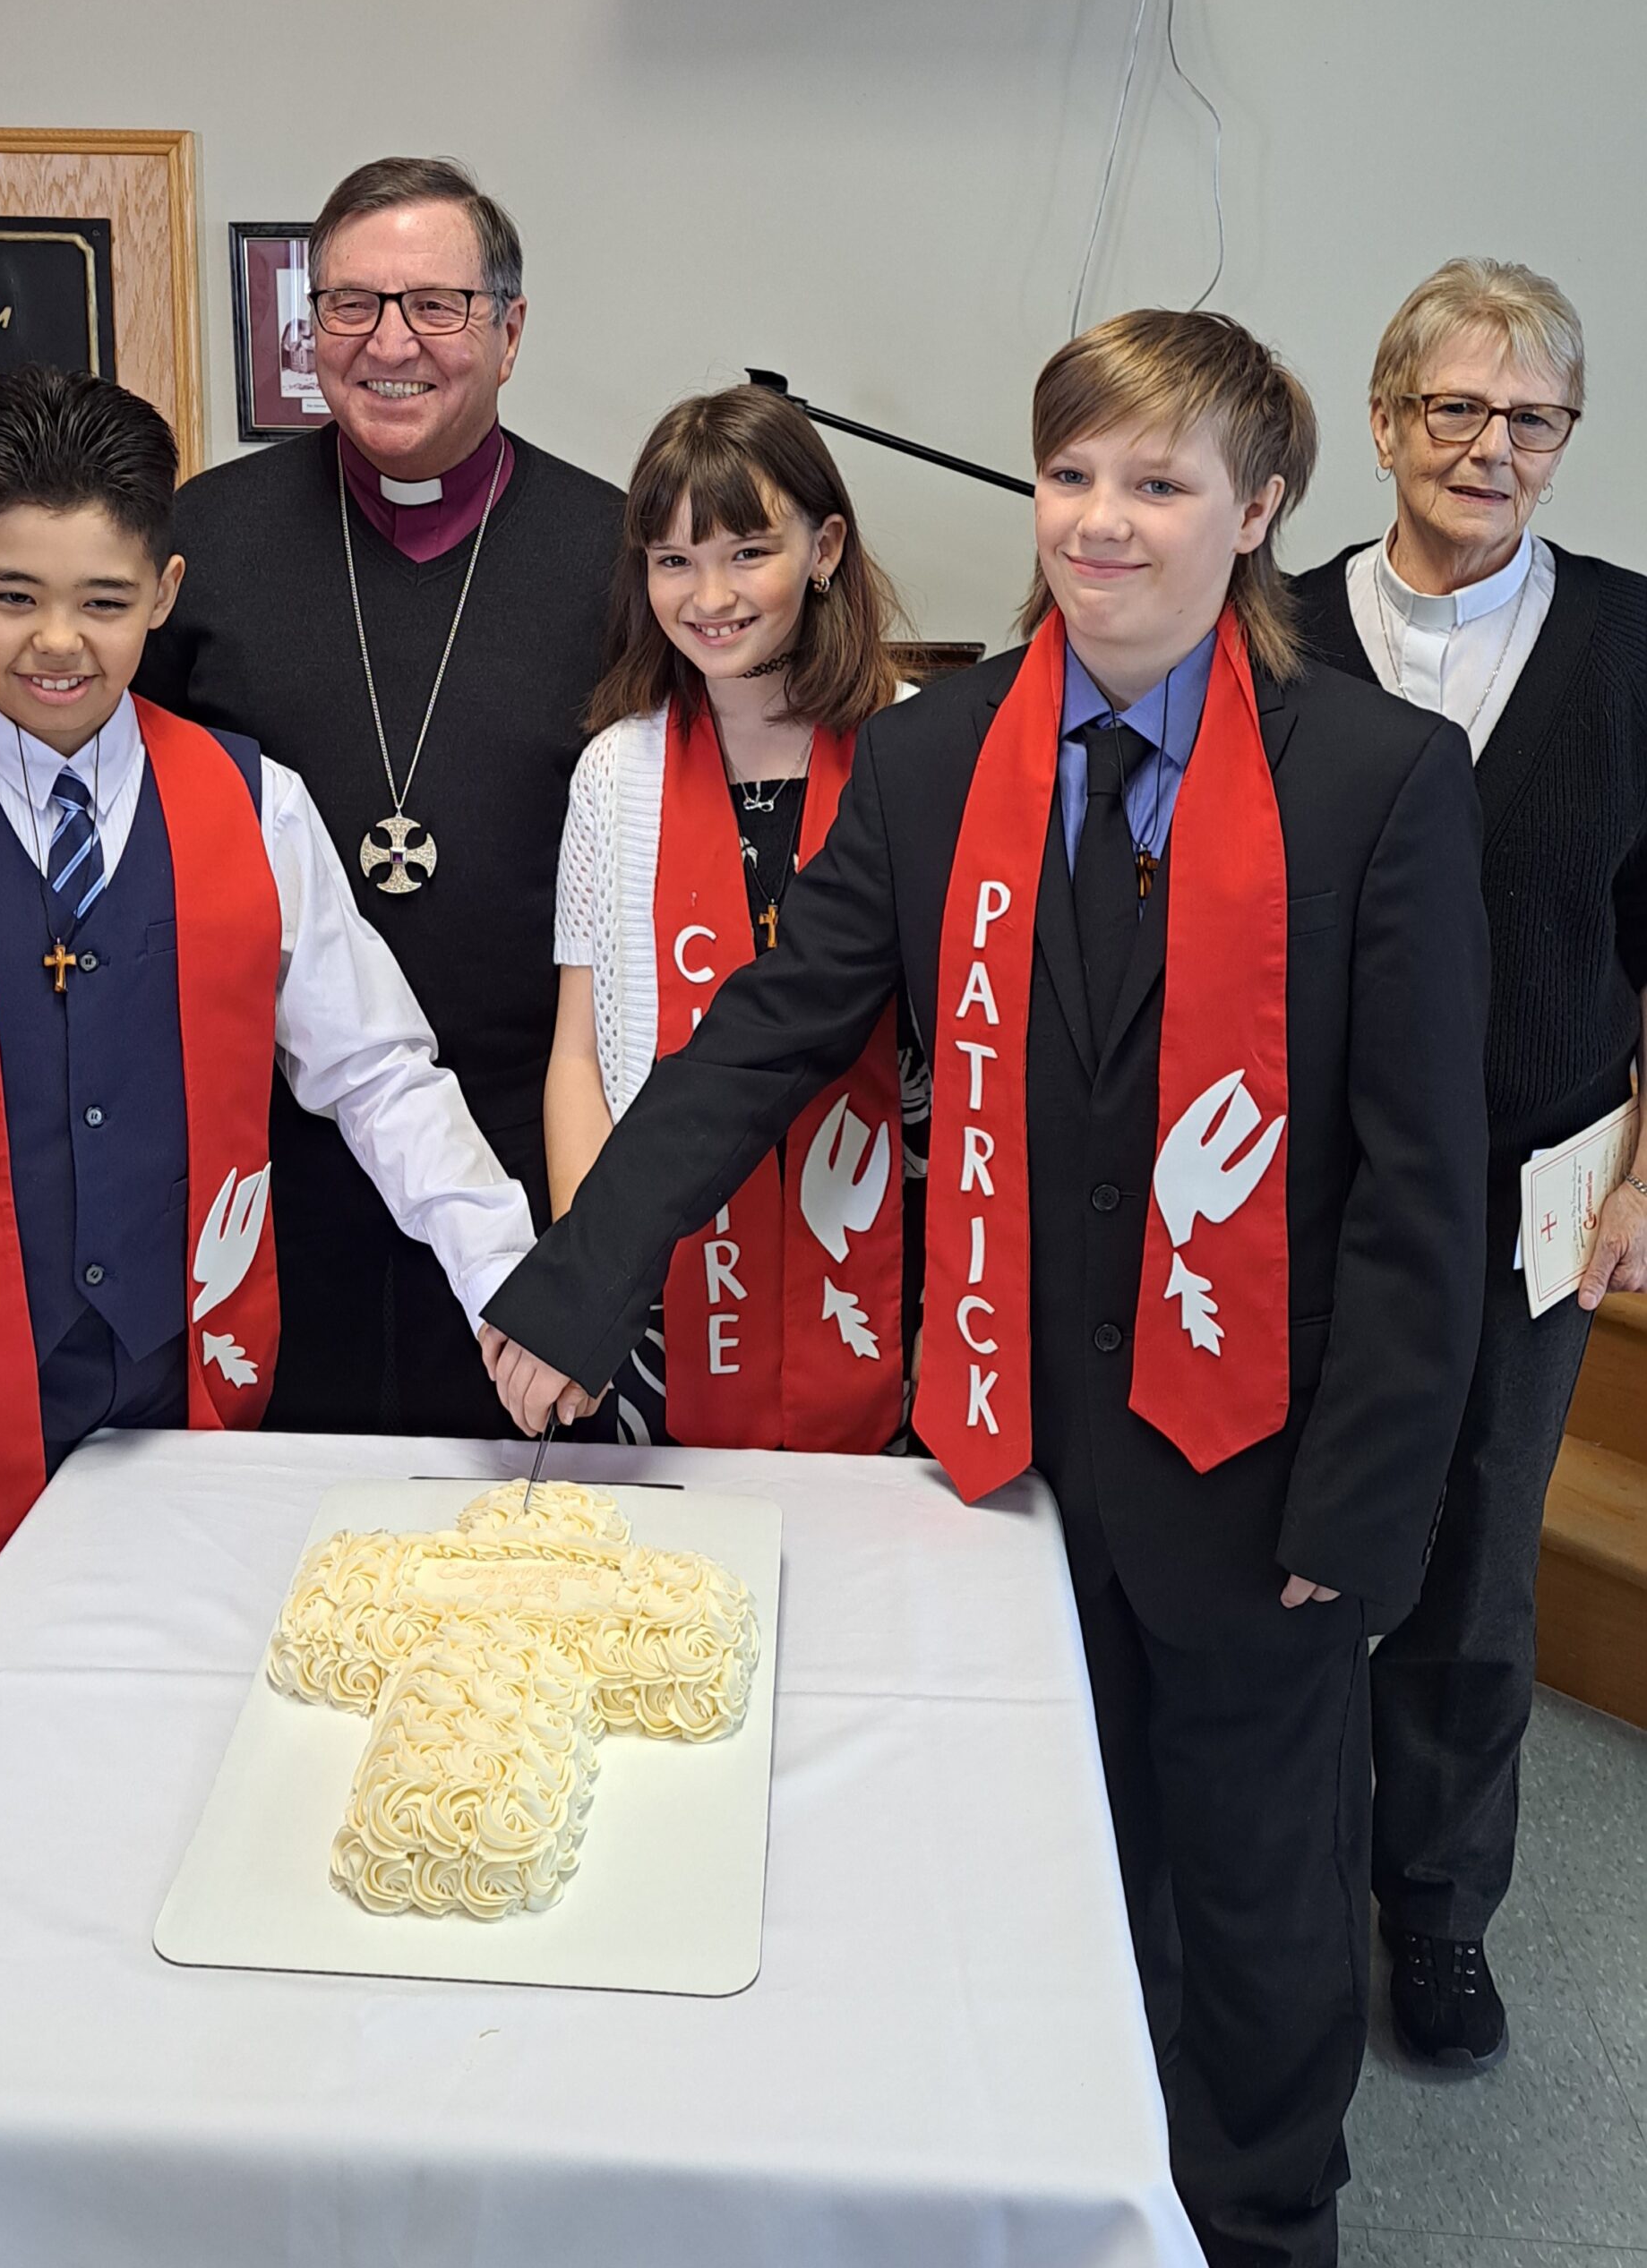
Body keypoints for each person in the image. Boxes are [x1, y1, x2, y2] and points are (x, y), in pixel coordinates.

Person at [483, 311, 1490, 2267]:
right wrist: (583, 1275)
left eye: (1157, 482)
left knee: (1264, 1891)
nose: (1100, 521)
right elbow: (775, 1024)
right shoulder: (942, 758)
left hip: (1257, 1452)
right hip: (1004, 1434)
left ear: (1259, 509)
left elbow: (1421, 1187)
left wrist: (1367, 1506)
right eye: (1070, 474)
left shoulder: (1380, 777)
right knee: (1046, 1866)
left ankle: (1265, 2216)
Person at [0, 367, 534, 1653]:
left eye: (103, 602)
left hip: (205, 1405)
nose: (58, 642)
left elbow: (380, 1072)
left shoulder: (256, 806)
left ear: (163, 593)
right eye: (12, 596)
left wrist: (510, 1276)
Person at [0, 157, 623, 1442]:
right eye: (350, 305)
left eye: (435, 304)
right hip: (246, 1158)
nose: (390, 342)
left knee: (514, 1505)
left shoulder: (618, 554)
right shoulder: (203, 538)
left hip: (519, 1135)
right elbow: (74, 714)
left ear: (509, 329)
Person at [1291, 257, 1647, 2074]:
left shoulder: (1634, 643)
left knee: (1478, 1565)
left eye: (1532, 417)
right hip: (1301, 1188)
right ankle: (1279, 1884)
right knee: (1287, 1542)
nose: (1490, 446)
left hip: (1536, 1186)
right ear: (1383, 421)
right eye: (1455, 407)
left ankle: (1436, 1910)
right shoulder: (1272, 630)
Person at [549, 383, 925, 1447]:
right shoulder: (616, 773)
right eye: (674, 560)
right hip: (666, 1295)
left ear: (824, 548)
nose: (709, 595)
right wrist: (589, 1271)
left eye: (748, 552)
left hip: (889, 1282)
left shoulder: (918, 751)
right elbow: (578, 1054)